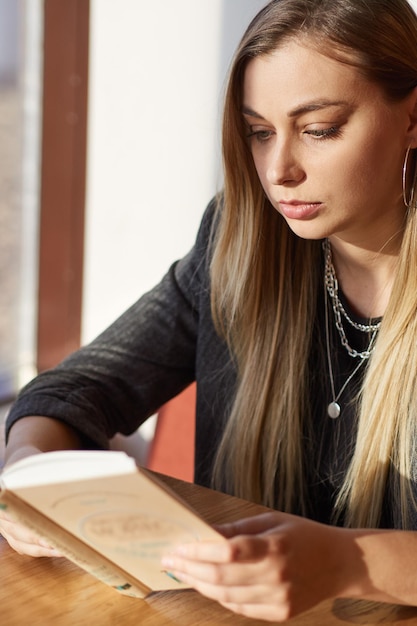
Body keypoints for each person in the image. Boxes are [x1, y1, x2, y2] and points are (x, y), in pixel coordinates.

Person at [3, 0, 417, 621]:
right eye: (259, 131)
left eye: (320, 128)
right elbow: (84, 386)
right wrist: (30, 479)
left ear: (413, 118)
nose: (280, 170)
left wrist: (348, 563)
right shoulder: (241, 244)